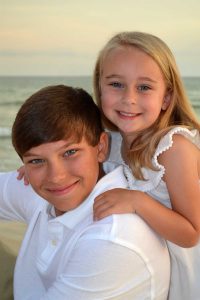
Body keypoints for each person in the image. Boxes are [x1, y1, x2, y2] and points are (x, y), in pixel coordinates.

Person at [0, 85, 170, 299]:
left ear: (100, 148)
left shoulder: (111, 240)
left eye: (70, 152)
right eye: (36, 160)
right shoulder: (41, 187)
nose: (56, 176)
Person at [92, 31, 200, 299]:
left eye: (144, 87)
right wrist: (37, 166)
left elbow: (192, 233)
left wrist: (137, 202)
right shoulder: (112, 142)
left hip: (189, 268)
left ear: (165, 98)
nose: (129, 98)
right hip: (152, 265)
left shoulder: (173, 149)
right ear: (99, 87)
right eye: (116, 84)